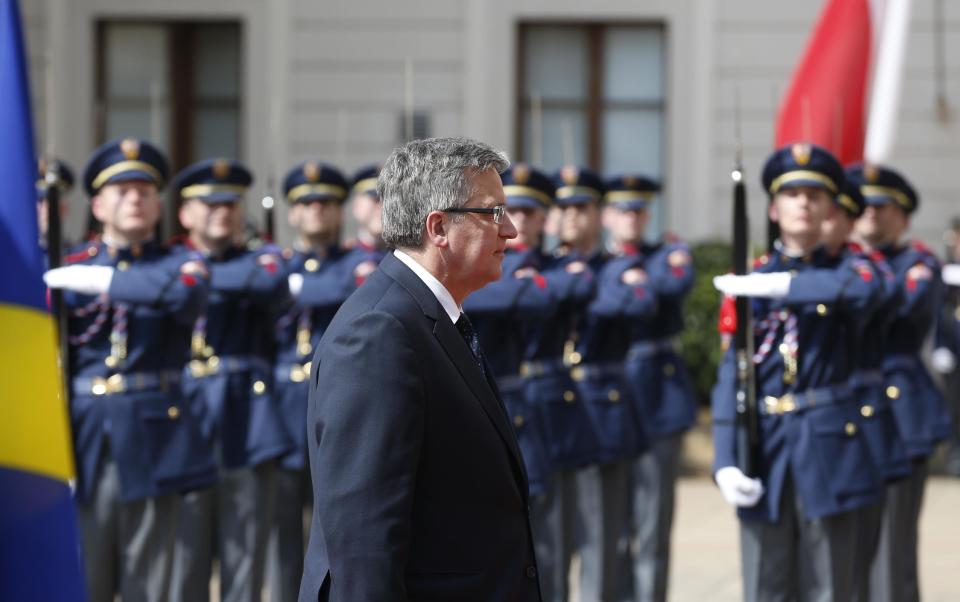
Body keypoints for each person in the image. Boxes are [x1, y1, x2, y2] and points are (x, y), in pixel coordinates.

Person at [299, 137, 541, 601]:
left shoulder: (427, 315)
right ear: (438, 227)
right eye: (493, 213)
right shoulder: (379, 333)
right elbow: (364, 538)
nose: (510, 230)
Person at [43, 138, 217, 601]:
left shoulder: (182, 263)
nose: (135, 199)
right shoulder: (69, 264)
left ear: (159, 205)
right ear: (97, 204)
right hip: (82, 431)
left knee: (150, 575)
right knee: (84, 573)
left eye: (144, 190)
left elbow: (185, 296)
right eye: (122, 191)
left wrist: (107, 281)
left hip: (153, 430)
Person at [712, 143, 886, 601]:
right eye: (792, 194)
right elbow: (733, 373)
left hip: (829, 442)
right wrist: (724, 457)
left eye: (815, 194)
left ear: (831, 208)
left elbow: (866, 291)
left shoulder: (853, 267)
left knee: (828, 585)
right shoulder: (747, 277)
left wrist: (784, 286)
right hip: (764, 443)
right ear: (773, 207)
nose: (804, 203)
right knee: (764, 585)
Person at [168, 158, 293, 602]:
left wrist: (190, 279)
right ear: (185, 214)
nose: (222, 212)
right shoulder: (170, 259)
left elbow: (267, 285)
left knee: (244, 558)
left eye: (231, 204)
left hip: (246, 420)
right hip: (186, 418)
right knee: (185, 560)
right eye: (209, 204)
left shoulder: (263, 259)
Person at [847, 163, 954, 602]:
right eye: (863, 206)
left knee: (892, 550)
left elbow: (899, 305)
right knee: (845, 549)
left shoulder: (918, 264)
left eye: (883, 207)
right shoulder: (842, 265)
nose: (871, 214)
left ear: (904, 218)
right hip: (847, 414)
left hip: (899, 416)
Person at [553, 165, 645, 602]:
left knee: (602, 538)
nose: (572, 215)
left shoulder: (617, 265)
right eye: (564, 206)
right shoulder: (538, 266)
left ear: (598, 213)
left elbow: (634, 302)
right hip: (548, 406)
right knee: (547, 541)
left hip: (600, 405)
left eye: (582, 206)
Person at [602, 175, 697, 602]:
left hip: (658, 395)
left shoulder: (668, 253)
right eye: (622, 210)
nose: (631, 218)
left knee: (653, 524)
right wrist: (627, 276)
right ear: (607, 216)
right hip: (610, 398)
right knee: (609, 529)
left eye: (638, 210)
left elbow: (673, 283)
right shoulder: (598, 261)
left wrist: (628, 280)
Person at [267, 160, 357, 602]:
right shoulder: (273, 263)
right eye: (306, 202)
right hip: (283, 410)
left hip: (338, 406)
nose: (316, 209)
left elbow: (348, 288)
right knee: (282, 527)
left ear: (341, 211)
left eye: (326, 202)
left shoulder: (359, 263)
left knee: (337, 522)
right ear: (291, 214)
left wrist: (292, 287)